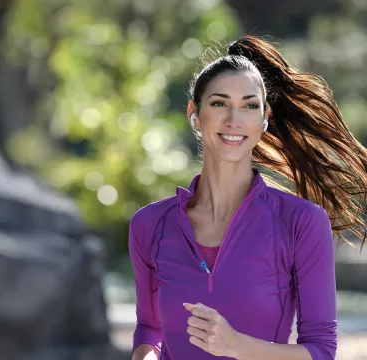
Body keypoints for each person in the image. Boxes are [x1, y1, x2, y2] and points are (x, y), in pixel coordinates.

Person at [128, 35, 367, 360]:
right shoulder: (150, 224)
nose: (234, 119)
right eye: (219, 103)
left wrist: (236, 346)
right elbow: (149, 328)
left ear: (263, 119)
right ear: (194, 113)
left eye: (249, 105)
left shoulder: (300, 222)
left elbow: (321, 350)